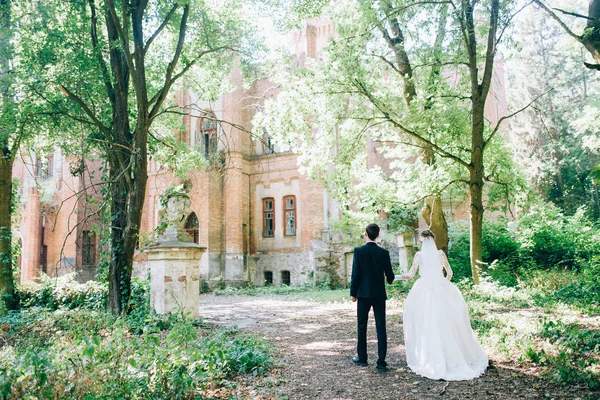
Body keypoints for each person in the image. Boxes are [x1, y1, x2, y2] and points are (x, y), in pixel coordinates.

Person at [399, 229, 488, 381]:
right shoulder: (440, 254)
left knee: (425, 321)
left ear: (422, 240)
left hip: (424, 289)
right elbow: (450, 273)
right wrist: (442, 284)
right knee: (446, 321)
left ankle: (428, 355)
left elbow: (411, 274)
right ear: (432, 239)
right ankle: (454, 354)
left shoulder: (419, 255)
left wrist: (399, 276)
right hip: (440, 288)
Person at [350, 223, 395, 372]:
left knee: (362, 325)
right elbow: (390, 276)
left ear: (365, 234)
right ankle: (381, 361)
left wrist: (353, 293)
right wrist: (389, 279)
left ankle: (362, 358)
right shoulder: (384, 253)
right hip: (379, 295)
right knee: (381, 326)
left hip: (363, 294)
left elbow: (356, 274)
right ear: (378, 235)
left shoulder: (359, 251)